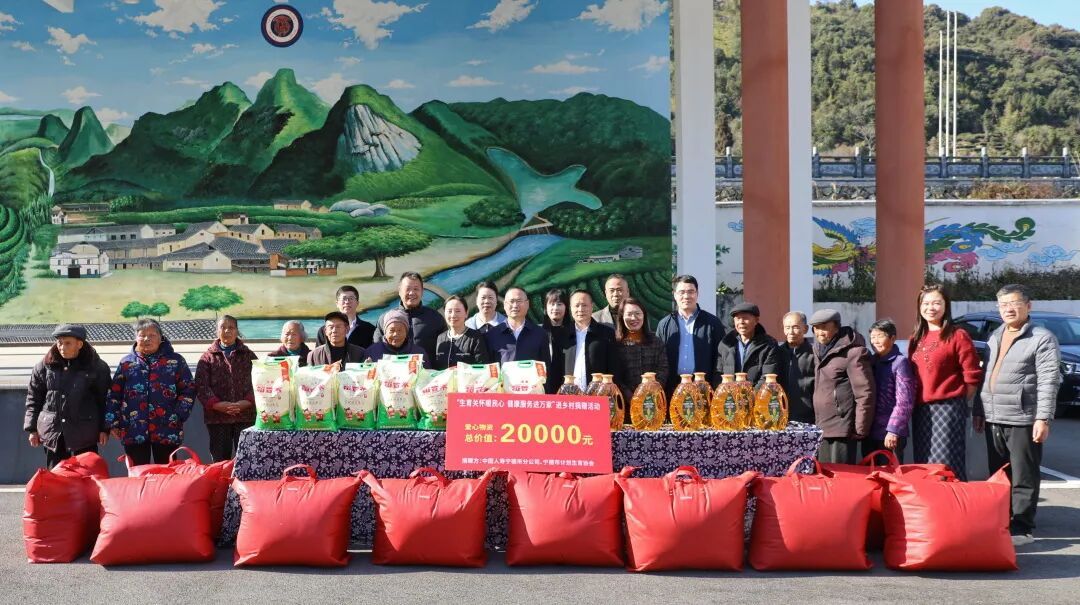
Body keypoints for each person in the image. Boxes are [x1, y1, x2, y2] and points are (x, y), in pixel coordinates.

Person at [974, 284, 1060, 546]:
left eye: (1014, 303)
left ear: (1028, 306)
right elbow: (985, 376)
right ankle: (1003, 520)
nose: (1008, 309)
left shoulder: (1041, 338)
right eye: (1003, 305)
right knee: (999, 473)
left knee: (1024, 474)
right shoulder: (996, 335)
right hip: (994, 416)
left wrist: (1043, 418)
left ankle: (1022, 527)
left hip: (1023, 416)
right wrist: (978, 410)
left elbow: (1049, 381)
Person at [908, 284, 982, 480]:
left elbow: (972, 375)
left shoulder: (957, 335)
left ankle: (953, 498)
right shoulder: (916, 338)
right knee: (923, 463)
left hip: (948, 409)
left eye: (936, 303)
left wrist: (958, 403)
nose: (930, 308)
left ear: (946, 305)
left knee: (945, 463)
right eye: (925, 303)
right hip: (921, 409)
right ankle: (930, 499)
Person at [106, 319, 196, 465]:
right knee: (138, 472)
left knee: (167, 472)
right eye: (142, 335)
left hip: (167, 428)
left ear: (161, 338)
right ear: (136, 338)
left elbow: (188, 389)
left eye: (152, 335)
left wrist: (178, 415)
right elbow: (114, 394)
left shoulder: (176, 361)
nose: (147, 339)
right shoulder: (126, 363)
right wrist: (113, 423)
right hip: (133, 429)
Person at [24, 324, 111, 468]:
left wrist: (104, 429)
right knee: (56, 476)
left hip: (85, 433)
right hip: (54, 432)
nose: (62, 347)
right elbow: (34, 398)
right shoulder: (44, 366)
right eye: (59, 342)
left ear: (79, 344)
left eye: (68, 343)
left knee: (86, 475)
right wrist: (32, 429)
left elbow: (105, 400)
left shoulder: (97, 367)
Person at [809, 309, 875, 464]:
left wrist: (860, 428)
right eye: (816, 328)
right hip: (822, 425)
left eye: (824, 327)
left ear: (836, 327)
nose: (819, 332)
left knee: (842, 474)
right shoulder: (818, 350)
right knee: (824, 474)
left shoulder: (853, 352)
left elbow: (865, 392)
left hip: (842, 427)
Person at [195, 315, 257, 462]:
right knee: (220, 461)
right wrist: (217, 405)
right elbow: (201, 385)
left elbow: (258, 381)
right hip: (218, 418)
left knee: (248, 459)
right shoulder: (207, 358)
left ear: (237, 331)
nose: (227, 331)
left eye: (231, 327)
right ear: (217, 331)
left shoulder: (248, 355)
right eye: (223, 327)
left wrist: (247, 402)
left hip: (245, 416)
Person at [655, 275, 725, 394]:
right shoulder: (664, 324)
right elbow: (658, 358)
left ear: (697, 294)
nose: (686, 296)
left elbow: (721, 358)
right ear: (675, 295)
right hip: (673, 388)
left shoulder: (712, 323)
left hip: (703, 387)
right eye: (681, 292)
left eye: (691, 292)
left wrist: (716, 385)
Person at [864, 319, 916, 462]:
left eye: (880, 336)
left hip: (890, 434)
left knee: (890, 473)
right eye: (873, 337)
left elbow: (905, 401)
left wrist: (893, 430)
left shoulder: (900, 362)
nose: (875, 341)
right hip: (870, 432)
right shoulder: (871, 362)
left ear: (893, 338)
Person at [485, 286, 553, 390]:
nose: (515, 305)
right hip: (502, 395)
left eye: (519, 301)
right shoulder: (492, 335)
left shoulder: (540, 334)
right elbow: (488, 371)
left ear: (527, 304)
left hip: (531, 395)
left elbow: (546, 368)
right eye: (511, 301)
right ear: (505, 305)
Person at [372, 272, 446, 358]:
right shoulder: (385, 319)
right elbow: (376, 350)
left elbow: (444, 352)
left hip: (427, 366)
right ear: (399, 291)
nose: (411, 293)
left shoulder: (436, 318)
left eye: (416, 289)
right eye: (407, 289)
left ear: (422, 292)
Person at [613, 297, 669, 407]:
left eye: (637, 313)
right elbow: (615, 376)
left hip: (652, 402)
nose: (634, 318)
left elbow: (663, 370)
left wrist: (650, 394)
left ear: (644, 315)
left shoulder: (656, 342)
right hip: (624, 404)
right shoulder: (616, 344)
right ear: (621, 317)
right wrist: (630, 397)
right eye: (629, 314)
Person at [561, 290, 618, 390]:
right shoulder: (562, 334)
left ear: (592, 307)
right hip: (568, 394)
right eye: (576, 305)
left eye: (584, 305)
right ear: (570, 308)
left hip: (598, 394)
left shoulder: (606, 333)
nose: (580, 309)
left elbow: (614, 367)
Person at [715, 302, 780, 388]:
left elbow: (767, 377)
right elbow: (718, 373)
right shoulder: (725, 344)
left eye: (745, 318)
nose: (741, 322)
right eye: (738, 319)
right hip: (730, 395)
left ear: (756, 320)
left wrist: (750, 394)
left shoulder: (769, 345)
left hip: (757, 395)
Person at [777, 311, 816, 424]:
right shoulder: (776, 353)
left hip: (808, 418)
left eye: (795, 327)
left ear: (806, 329)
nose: (791, 332)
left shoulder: (814, 354)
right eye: (787, 328)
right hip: (779, 416)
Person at [434, 295, 491, 370]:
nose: (453, 315)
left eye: (458, 311)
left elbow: (482, 368)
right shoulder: (440, 338)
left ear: (466, 313)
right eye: (449, 311)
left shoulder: (475, 338)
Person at [365, 309, 431, 367]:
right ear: (385, 332)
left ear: (406, 332)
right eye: (392, 330)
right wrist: (367, 369)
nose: (396, 334)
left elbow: (428, 375)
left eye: (400, 330)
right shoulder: (372, 352)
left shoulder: (419, 353)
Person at [542, 288, 570, 358]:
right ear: (545, 308)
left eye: (559, 304)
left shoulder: (574, 332)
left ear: (566, 308)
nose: (555, 308)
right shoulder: (538, 333)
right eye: (552, 304)